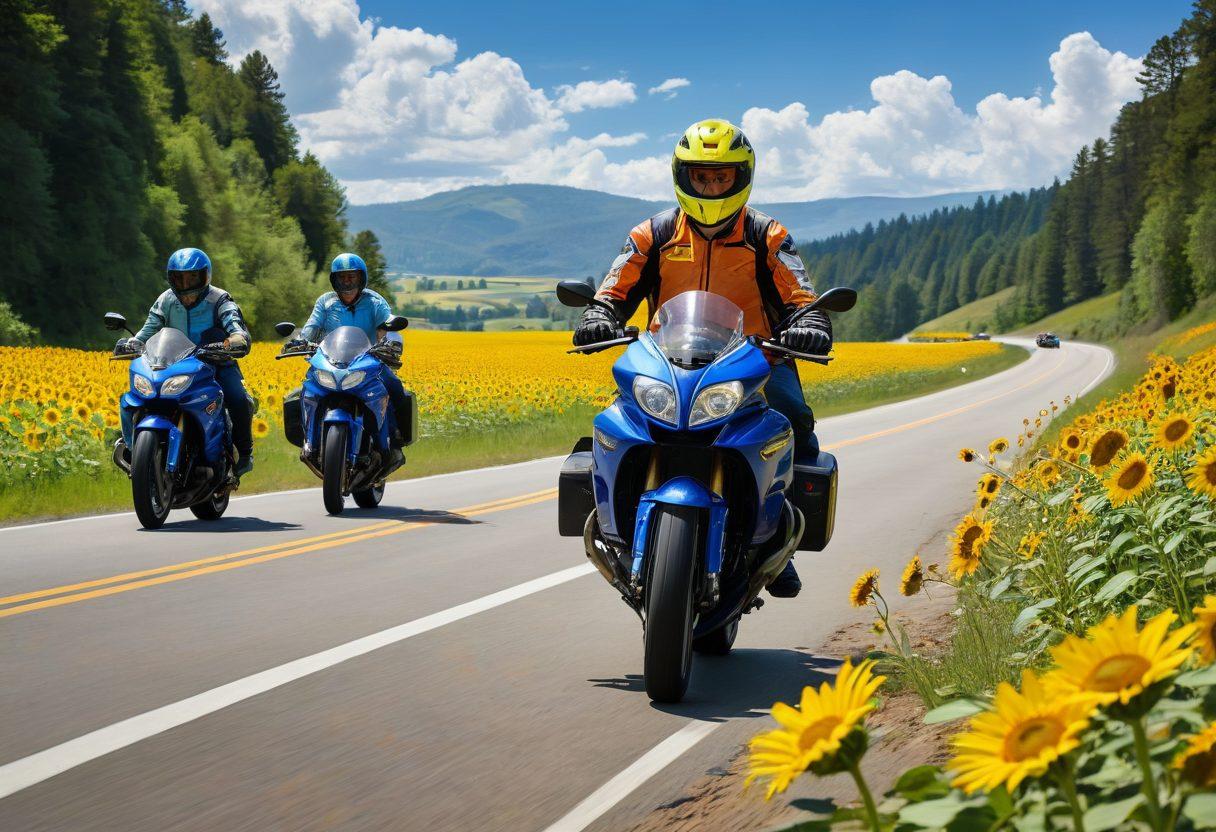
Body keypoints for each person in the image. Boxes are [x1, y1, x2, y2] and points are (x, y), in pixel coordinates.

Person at [572, 118, 833, 598]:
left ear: (741, 177)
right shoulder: (653, 233)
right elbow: (616, 285)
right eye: (703, 176)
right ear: (683, 176)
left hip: (755, 362)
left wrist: (811, 322)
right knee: (615, 423)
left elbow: (799, 291)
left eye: (722, 177)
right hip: (667, 362)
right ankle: (614, 522)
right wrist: (598, 313)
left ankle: (780, 543)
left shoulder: (766, 235)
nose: (712, 186)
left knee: (793, 417)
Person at [119, 248, 255, 476]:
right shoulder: (166, 300)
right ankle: (133, 447)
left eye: (192, 277)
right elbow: (149, 329)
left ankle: (244, 452)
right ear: (171, 278)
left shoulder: (219, 298)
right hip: (174, 364)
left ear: (205, 276)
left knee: (237, 397)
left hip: (216, 363)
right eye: (179, 277)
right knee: (137, 397)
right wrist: (133, 342)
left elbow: (234, 323)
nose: (186, 283)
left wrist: (236, 338)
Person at [290, 253, 410, 446]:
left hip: (367, 361)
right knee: (305, 390)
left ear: (361, 278)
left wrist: (393, 342)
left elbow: (388, 324)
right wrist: (300, 341)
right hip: (330, 360)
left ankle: (395, 435)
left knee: (395, 387)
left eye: (351, 276)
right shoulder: (325, 302)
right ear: (334, 279)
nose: (347, 281)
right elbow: (312, 326)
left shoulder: (374, 302)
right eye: (342, 277)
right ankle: (308, 438)